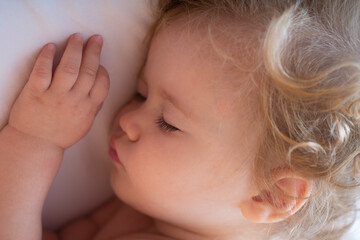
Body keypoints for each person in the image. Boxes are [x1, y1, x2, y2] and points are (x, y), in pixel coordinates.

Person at [1, 0, 360, 239]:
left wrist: (34, 141)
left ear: (271, 194)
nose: (127, 118)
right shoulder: (153, 212)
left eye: (168, 122)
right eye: (141, 93)